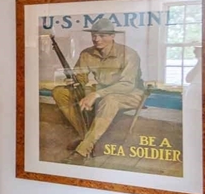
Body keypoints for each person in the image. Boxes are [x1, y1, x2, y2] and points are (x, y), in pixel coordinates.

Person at [51, 17, 145, 159]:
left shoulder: (129, 54)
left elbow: (127, 84)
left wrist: (96, 94)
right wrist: (73, 81)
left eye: (102, 35)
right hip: (102, 91)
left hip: (131, 93)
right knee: (60, 92)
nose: (97, 39)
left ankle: (82, 151)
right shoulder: (87, 53)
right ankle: (86, 138)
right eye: (94, 35)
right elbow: (80, 78)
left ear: (112, 36)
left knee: (110, 99)